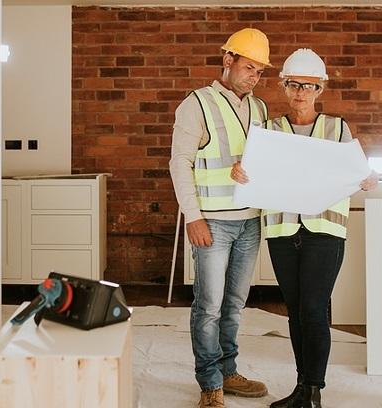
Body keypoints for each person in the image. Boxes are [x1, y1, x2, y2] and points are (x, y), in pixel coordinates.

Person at [231, 48, 378, 408]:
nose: (300, 92)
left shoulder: (336, 128)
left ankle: (314, 392)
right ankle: (302, 388)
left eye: (308, 86)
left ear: (320, 89)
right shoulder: (268, 131)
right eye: (294, 85)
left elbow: (355, 172)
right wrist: (239, 173)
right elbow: (255, 175)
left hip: (324, 233)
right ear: (283, 86)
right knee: (295, 312)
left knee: (313, 309)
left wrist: (367, 179)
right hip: (283, 233)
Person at [169, 28, 273, 408]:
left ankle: (229, 371)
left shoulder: (259, 108)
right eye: (249, 67)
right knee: (208, 305)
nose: (254, 77)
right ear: (227, 60)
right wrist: (192, 217)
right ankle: (210, 382)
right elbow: (180, 163)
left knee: (234, 304)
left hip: (250, 222)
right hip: (212, 222)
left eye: (260, 72)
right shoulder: (197, 104)